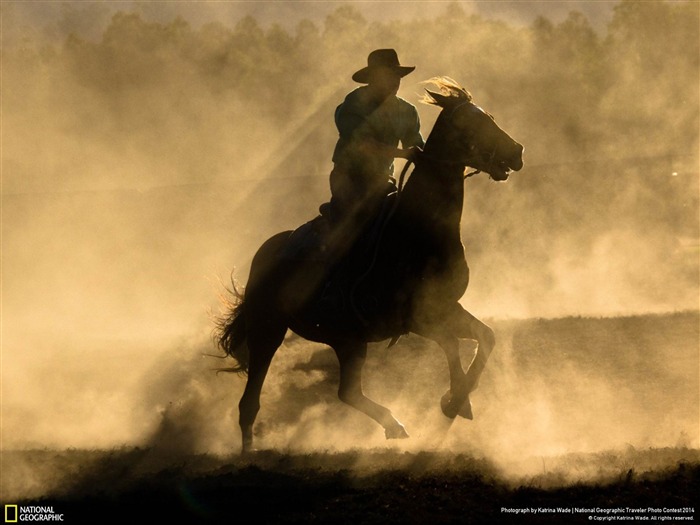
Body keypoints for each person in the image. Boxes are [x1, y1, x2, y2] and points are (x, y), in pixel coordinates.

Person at [327, 49, 425, 225]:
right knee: (350, 229)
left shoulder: (407, 111)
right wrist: (404, 154)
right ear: (373, 78)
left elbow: (418, 147)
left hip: (382, 182)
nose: (395, 81)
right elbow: (364, 145)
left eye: (398, 76)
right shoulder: (353, 104)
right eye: (389, 75)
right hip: (349, 180)